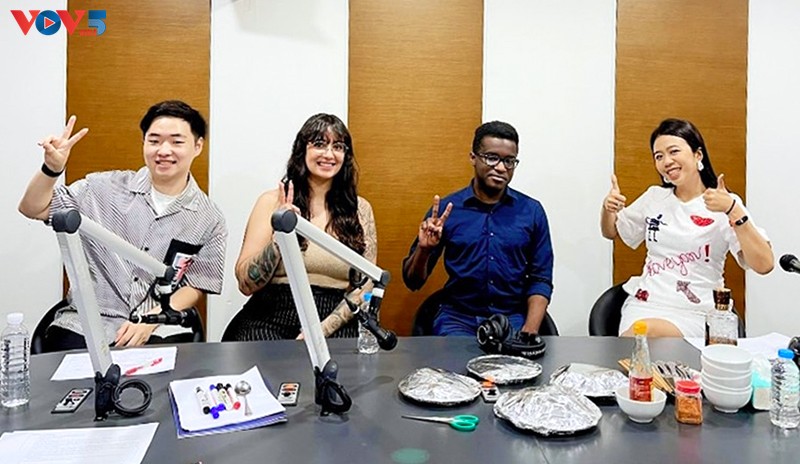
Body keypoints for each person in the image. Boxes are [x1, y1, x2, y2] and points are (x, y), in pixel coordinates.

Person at [18, 100, 228, 350]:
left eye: (176, 142)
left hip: (158, 328)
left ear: (198, 146)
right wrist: (51, 169)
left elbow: (199, 284)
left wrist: (150, 320)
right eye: (154, 140)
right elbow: (32, 208)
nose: (164, 150)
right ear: (144, 143)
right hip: (86, 325)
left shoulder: (209, 218)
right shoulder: (101, 189)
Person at [601, 118, 773, 338]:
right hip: (646, 303)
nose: (666, 161)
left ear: (697, 155)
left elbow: (764, 264)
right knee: (642, 335)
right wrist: (608, 209)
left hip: (698, 311)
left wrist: (733, 210)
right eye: (659, 156)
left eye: (674, 151)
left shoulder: (725, 202)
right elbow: (611, 231)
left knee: (646, 337)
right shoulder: (655, 197)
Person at [228, 113, 377, 341]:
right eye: (319, 144)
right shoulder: (271, 201)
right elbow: (245, 283)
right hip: (271, 314)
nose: (329, 154)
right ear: (302, 150)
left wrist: (321, 330)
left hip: (335, 319)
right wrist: (280, 235)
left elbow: (365, 287)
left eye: (338, 146)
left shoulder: (360, 209)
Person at [402, 121, 554, 336]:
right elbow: (413, 281)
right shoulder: (446, 211)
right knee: (454, 358)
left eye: (509, 161)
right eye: (492, 158)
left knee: (515, 359)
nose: (501, 168)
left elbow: (541, 279)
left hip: (511, 318)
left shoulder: (531, 212)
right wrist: (424, 250)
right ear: (473, 158)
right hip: (458, 319)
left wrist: (529, 331)